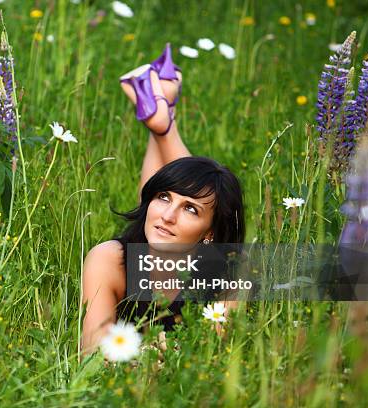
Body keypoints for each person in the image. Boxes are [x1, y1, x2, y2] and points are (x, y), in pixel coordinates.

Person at [81, 44, 246, 355]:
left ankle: (162, 119)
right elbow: (91, 355)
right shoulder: (109, 260)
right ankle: (163, 121)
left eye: (191, 210)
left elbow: (205, 361)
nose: (168, 215)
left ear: (210, 234)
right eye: (162, 198)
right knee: (176, 200)